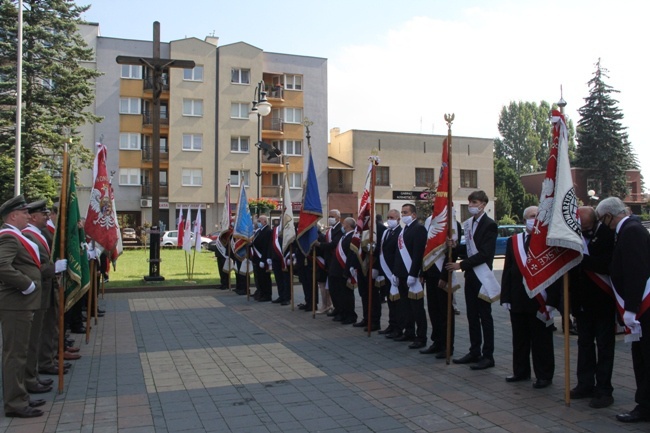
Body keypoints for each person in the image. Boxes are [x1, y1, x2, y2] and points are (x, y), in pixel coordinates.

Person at [596, 197, 650, 423]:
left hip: (643, 309)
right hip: (639, 307)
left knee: (645, 360)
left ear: (609, 215)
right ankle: (645, 404)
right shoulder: (627, 229)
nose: (602, 223)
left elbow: (636, 271)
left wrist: (631, 308)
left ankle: (645, 407)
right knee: (641, 358)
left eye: (602, 218)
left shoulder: (631, 231)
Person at [501, 206, 560, 389]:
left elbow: (555, 273)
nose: (533, 219)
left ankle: (544, 375)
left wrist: (551, 301)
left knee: (541, 340)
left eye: (537, 216)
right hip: (518, 299)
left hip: (539, 300)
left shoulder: (548, 241)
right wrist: (506, 297)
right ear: (524, 219)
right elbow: (508, 270)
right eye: (531, 216)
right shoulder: (514, 241)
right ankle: (521, 371)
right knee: (519, 339)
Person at [0, 196, 48, 417]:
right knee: (15, 354)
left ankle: (21, 395)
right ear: (12, 216)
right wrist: (26, 283)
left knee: (21, 351)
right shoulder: (9, 237)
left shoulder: (17, 236)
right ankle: (15, 403)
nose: (29, 216)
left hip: (22, 303)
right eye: (24, 213)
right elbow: (2, 265)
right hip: (16, 302)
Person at [569, 206, 616, 408]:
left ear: (595, 221)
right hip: (582, 302)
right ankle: (585, 384)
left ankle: (604, 389)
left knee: (605, 346)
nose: (583, 228)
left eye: (586, 225)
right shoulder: (573, 235)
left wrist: (581, 258)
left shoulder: (607, 235)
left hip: (603, 301)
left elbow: (606, 264)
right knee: (584, 344)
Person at [446, 190, 498, 370]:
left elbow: (484, 253)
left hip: (482, 276)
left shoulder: (490, 225)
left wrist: (461, 265)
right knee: (472, 316)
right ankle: (474, 350)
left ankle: (488, 355)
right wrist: (456, 248)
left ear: (483, 204)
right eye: (470, 203)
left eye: (475, 202)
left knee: (485, 316)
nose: (471, 206)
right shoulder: (469, 224)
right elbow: (468, 249)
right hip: (471, 276)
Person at [420, 218, 460, 359]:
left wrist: (444, 277)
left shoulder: (453, 225)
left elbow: (453, 254)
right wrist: (423, 272)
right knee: (433, 310)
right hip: (430, 273)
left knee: (445, 312)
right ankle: (437, 342)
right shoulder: (431, 225)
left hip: (442, 275)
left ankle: (447, 345)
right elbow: (427, 249)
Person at [392, 204, 428, 349]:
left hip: (412, 276)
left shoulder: (419, 229)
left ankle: (421, 337)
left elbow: (418, 254)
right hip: (401, 274)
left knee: (417, 308)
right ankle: (409, 332)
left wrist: (414, 274)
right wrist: (395, 272)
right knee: (405, 306)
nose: (403, 215)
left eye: (405, 212)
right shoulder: (404, 231)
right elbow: (398, 254)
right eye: (402, 212)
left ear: (413, 215)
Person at [353, 214, 385, 331]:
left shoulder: (381, 229)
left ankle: (375, 322)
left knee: (374, 296)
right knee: (364, 294)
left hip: (373, 266)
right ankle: (366, 319)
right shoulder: (361, 228)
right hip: (362, 266)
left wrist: (376, 267)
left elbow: (381, 250)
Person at [327, 217, 358, 325]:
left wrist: (348, 271)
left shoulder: (352, 237)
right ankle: (341, 312)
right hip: (336, 270)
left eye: (343, 223)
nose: (342, 226)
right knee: (336, 293)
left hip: (343, 271)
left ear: (348, 225)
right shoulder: (344, 236)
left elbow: (351, 255)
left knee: (346, 295)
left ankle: (350, 315)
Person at [377, 209, 402, 338]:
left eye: (392, 217)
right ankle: (391, 325)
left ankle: (398, 327)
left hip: (394, 271)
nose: (389, 219)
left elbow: (399, 254)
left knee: (397, 302)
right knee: (390, 301)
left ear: (398, 219)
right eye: (388, 217)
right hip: (386, 272)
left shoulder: (400, 233)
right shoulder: (386, 232)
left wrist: (396, 272)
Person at [318, 210, 343, 317]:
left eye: (332, 216)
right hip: (329, 262)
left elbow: (334, 244)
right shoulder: (330, 229)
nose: (330, 218)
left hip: (336, 262)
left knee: (337, 289)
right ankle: (335, 308)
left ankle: (339, 309)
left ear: (338, 218)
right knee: (332, 288)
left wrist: (320, 244)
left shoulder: (340, 229)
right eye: (329, 216)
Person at [251, 215, 272, 302]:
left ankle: (267, 295)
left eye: (260, 221)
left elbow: (266, 246)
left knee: (265, 278)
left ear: (264, 222)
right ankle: (261, 293)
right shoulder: (260, 231)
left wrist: (264, 259)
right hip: (257, 258)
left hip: (262, 258)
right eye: (258, 221)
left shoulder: (267, 231)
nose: (258, 223)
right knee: (259, 278)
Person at [269, 220, 290, 305]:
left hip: (285, 258)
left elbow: (292, 242)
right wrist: (269, 256)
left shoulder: (289, 229)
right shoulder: (275, 230)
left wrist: (291, 255)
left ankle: (287, 298)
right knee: (278, 279)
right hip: (275, 258)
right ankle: (281, 296)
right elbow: (270, 244)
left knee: (286, 279)